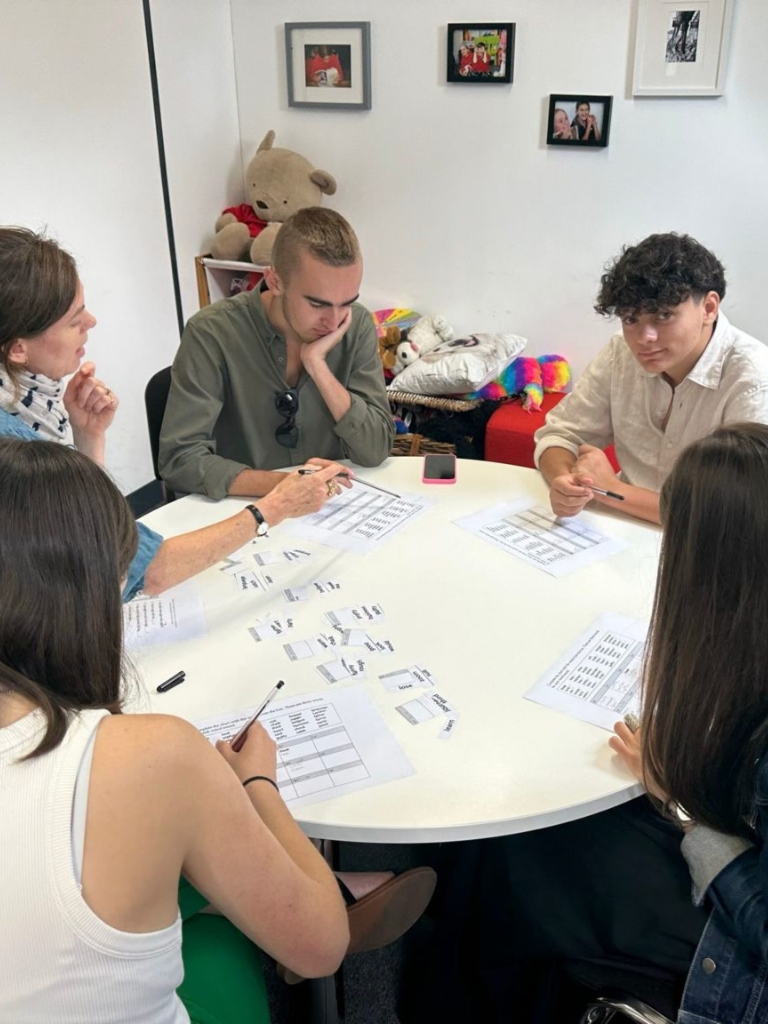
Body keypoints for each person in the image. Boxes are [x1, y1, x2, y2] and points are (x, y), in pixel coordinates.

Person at [0, 436, 437, 1022]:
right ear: (86, 593)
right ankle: (315, 890)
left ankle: (295, 888)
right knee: (225, 929)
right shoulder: (151, 755)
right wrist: (258, 784)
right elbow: (321, 949)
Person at [408, 424, 768, 1024]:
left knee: (517, 850)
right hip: (726, 826)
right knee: (522, 823)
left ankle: (450, 990)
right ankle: (435, 929)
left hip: (731, 935)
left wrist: (677, 803)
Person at [0, 226, 349, 601]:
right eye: (74, 320)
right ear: (18, 349)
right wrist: (274, 507)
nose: (91, 324)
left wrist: (89, 441)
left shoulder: (29, 404)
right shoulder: (15, 451)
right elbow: (137, 568)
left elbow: (91, 530)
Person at [159, 207, 394, 500]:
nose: (334, 322)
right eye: (317, 304)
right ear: (274, 281)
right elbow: (180, 459)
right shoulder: (212, 333)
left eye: (346, 302)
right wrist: (283, 487)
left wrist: (317, 366)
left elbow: (375, 450)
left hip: (332, 509)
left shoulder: (355, 325)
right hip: (242, 511)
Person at [534, 232, 768, 524]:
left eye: (663, 316)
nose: (645, 338)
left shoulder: (754, 380)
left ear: (708, 308)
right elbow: (559, 435)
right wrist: (566, 481)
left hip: (706, 550)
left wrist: (613, 490)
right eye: (631, 319)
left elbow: (741, 514)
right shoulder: (620, 352)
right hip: (619, 528)